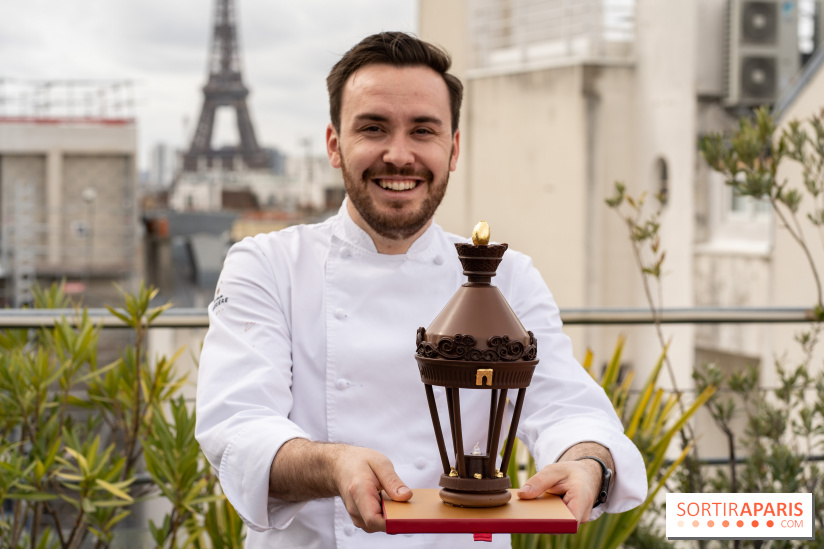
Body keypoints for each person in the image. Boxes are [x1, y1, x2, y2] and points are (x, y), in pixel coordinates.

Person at [195, 31, 646, 548]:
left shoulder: (509, 275)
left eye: (423, 131)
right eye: (373, 128)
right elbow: (237, 425)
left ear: (452, 150)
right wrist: (335, 463)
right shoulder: (266, 265)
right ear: (334, 146)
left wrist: (585, 461)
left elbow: (569, 407)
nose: (399, 155)